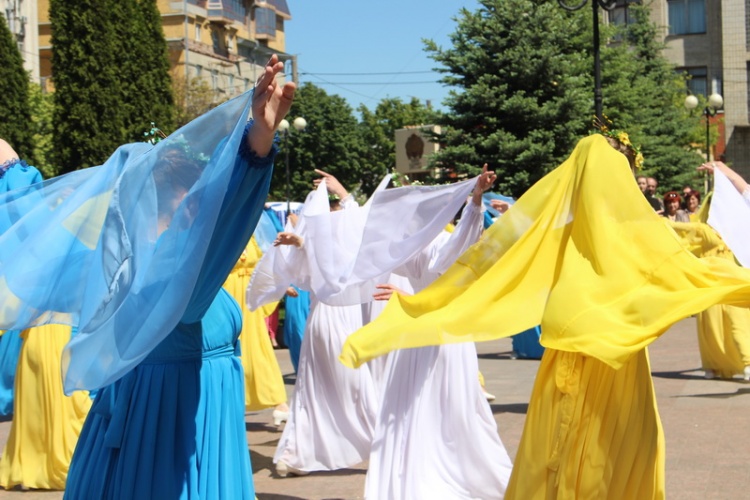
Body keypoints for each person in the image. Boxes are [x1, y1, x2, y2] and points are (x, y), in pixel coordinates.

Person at [55, 55, 295, 499]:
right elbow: (229, 221)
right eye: (202, 195)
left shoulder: (157, 262)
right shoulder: (168, 271)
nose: (208, 207)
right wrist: (257, 143)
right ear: (180, 202)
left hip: (184, 422)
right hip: (168, 430)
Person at [364, 166, 513, 499]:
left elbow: (455, 253)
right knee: (415, 404)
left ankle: (450, 472)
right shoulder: (412, 246)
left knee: (451, 404)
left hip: (444, 332)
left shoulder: (445, 241)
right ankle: (417, 472)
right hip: (420, 334)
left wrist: (475, 201)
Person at [223, 236, 289, 426]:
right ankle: (234, 402)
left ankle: (279, 402)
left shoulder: (250, 237)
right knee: (232, 351)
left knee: (259, 350)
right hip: (229, 296)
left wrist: (278, 288)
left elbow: (262, 267)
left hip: (249, 301)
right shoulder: (222, 232)